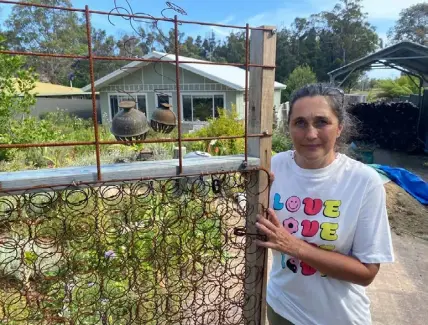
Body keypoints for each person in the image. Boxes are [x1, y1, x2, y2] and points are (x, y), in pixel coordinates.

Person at [255, 83, 394, 325]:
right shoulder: (273, 168)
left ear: (339, 127)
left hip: (336, 317)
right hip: (281, 308)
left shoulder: (363, 182)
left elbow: (366, 274)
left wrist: (295, 246)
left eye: (321, 122)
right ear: (288, 128)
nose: (310, 134)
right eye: (300, 123)